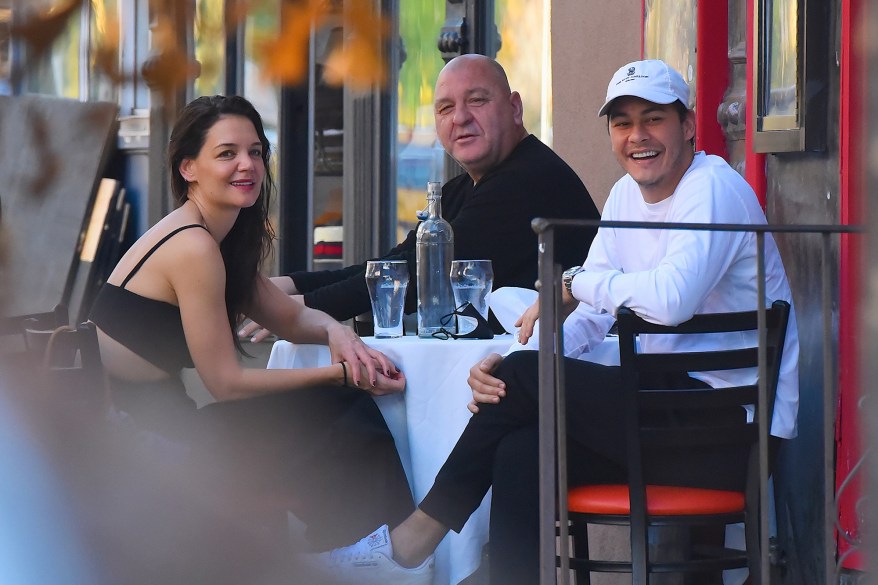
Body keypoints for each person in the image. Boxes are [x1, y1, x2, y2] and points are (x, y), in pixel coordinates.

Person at [303, 59, 800, 585]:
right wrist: (527, 362)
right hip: (659, 415)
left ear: (689, 125)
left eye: (653, 119)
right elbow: (589, 318)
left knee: (522, 380)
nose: (638, 136)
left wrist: (568, 286)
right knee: (522, 450)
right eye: (622, 123)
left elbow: (669, 299)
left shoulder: (711, 186)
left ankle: (412, 542)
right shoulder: (625, 195)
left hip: (727, 433)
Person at [87, 95, 432, 583]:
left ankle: (366, 555)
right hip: (147, 444)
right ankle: (377, 559)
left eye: (255, 151)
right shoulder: (193, 247)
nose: (247, 164)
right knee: (340, 415)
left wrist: (336, 331)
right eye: (226, 153)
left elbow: (287, 317)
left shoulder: (214, 237)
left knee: (333, 416)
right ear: (189, 167)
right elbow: (226, 382)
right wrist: (341, 375)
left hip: (162, 426)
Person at [239, 53, 599, 340]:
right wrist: (285, 286)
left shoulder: (526, 180)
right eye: (445, 108)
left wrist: (293, 311)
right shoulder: (466, 187)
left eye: (477, 100)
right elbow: (391, 264)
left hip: (559, 382)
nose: (460, 117)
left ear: (514, 108)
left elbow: (419, 278)